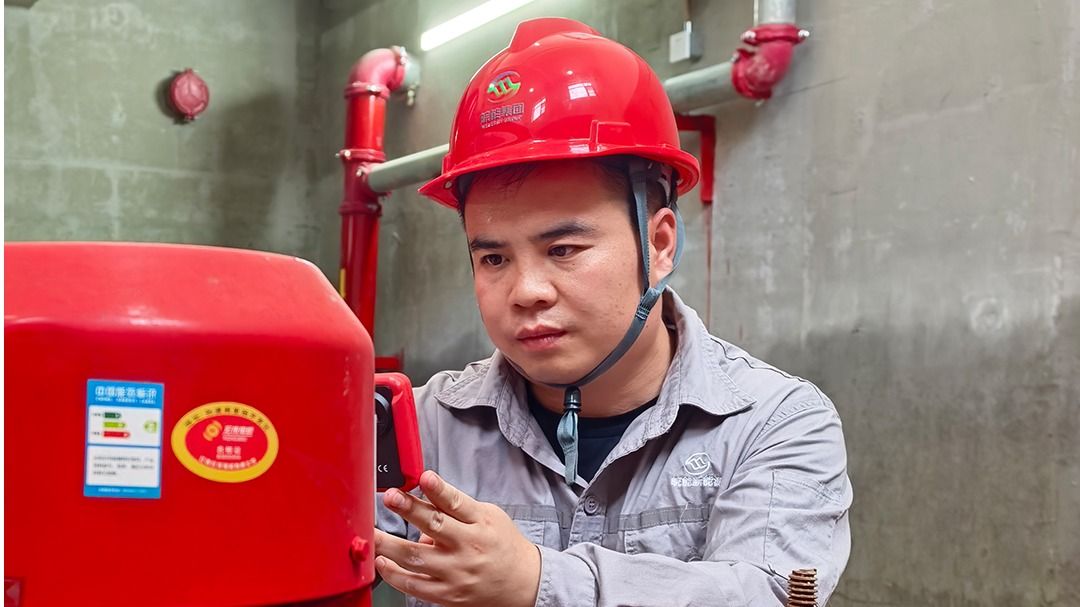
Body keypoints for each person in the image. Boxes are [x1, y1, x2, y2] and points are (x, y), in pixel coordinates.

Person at [373, 17, 852, 607]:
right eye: (493, 258)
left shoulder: (772, 424)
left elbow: (769, 594)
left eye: (563, 250)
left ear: (660, 244)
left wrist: (538, 583)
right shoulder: (422, 428)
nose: (526, 291)